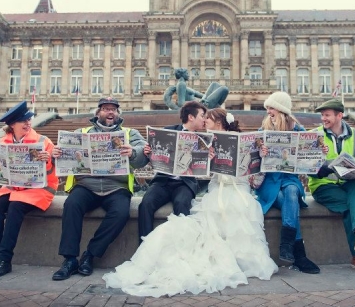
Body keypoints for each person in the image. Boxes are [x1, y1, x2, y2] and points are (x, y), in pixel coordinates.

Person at [103, 108, 277, 297]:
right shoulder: (202, 139)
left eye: (207, 119)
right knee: (148, 204)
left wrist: (262, 156)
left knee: (218, 208)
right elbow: (202, 172)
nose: (204, 122)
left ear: (217, 122)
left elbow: (255, 178)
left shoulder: (234, 139)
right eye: (202, 117)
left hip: (235, 190)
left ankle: (226, 259)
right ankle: (146, 252)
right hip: (192, 186)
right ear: (191, 117)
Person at [51, 97, 149, 281]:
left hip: (117, 187)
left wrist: (133, 152)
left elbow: (144, 155)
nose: (110, 112)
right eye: (105, 109)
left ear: (118, 113)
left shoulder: (130, 133)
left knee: (121, 213)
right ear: (98, 113)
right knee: (71, 205)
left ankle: (90, 254)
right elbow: (64, 156)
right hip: (86, 185)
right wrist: (56, 154)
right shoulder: (82, 132)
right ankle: (69, 259)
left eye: (113, 109)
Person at [0, 100, 57, 278]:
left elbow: (55, 170)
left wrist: (49, 158)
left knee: (16, 205)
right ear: (12, 125)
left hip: (39, 190)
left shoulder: (43, 141)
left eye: (29, 119)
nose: (27, 123)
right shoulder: (2, 142)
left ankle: (4, 260)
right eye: (23, 120)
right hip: (12, 188)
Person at [308, 98, 355, 274]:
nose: (323, 119)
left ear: (339, 116)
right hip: (323, 186)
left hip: (347, 182)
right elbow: (308, 168)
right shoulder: (314, 134)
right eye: (322, 115)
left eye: (327, 115)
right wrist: (324, 166)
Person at [255, 91, 321, 274]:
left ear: (282, 110)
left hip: (290, 178)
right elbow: (252, 159)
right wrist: (262, 153)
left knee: (291, 192)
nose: (268, 111)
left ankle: (286, 244)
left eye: (271, 107)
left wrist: (320, 149)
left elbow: (311, 159)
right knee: (287, 202)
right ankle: (299, 254)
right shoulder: (263, 130)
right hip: (270, 182)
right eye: (267, 108)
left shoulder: (298, 130)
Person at [138, 100, 206, 242]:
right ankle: (145, 246)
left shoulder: (203, 139)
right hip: (163, 181)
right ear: (191, 117)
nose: (204, 119)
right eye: (202, 115)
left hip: (184, 184)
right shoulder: (168, 130)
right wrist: (148, 152)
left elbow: (203, 168)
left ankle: (180, 247)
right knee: (145, 204)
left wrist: (207, 157)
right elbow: (154, 156)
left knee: (181, 204)